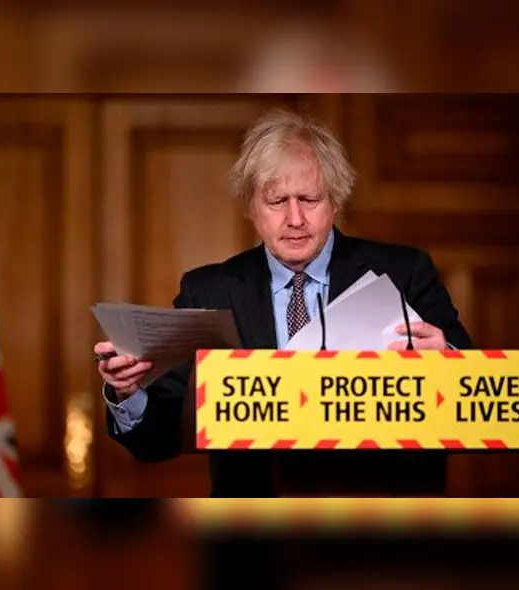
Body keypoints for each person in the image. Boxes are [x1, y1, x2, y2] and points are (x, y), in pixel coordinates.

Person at [93, 109, 473, 497]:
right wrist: (130, 393)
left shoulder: (405, 272)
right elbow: (157, 441)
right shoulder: (208, 291)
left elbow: (482, 400)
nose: (295, 219)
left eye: (309, 199)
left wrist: (449, 363)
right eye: (277, 201)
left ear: (335, 202)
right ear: (251, 208)